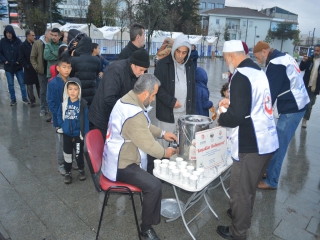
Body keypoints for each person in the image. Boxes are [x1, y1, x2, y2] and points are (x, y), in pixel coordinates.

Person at [101, 73, 177, 240]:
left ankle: (151, 204)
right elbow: (148, 144)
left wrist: (163, 134)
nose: (155, 98)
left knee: (155, 167)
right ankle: (146, 229)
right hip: (120, 164)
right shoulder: (133, 113)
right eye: (154, 94)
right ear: (145, 94)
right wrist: (165, 153)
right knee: (154, 185)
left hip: (119, 154)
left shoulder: (129, 99)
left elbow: (146, 126)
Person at [216, 40, 279, 240]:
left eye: (226, 59)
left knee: (240, 193)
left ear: (231, 56)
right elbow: (253, 103)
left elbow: (237, 116)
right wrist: (232, 102)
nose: (227, 63)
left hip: (251, 144)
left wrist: (221, 117)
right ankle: (242, 222)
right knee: (249, 189)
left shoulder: (241, 75)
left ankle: (238, 233)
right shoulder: (258, 71)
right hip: (267, 140)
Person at [253, 41, 309, 190]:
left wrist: (258, 116)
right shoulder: (285, 57)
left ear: (264, 52)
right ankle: (268, 171)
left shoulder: (276, 63)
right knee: (277, 142)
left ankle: (272, 180)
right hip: (298, 103)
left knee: (279, 145)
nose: (258, 61)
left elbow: (269, 94)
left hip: (292, 108)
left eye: (258, 57)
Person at [88, 48, 150, 138]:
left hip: (115, 118)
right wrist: (129, 108)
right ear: (133, 64)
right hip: (101, 119)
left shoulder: (134, 72)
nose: (142, 73)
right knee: (104, 150)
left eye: (144, 70)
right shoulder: (116, 71)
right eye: (141, 70)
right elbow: (109, 98)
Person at [154, 34, 196, 148]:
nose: (180, 56)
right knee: (163, 145)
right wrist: (171, 102)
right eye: (178, 51)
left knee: (182, 145)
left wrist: (191, 110)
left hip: (184, 114)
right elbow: (157, 88)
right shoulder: (162, 65)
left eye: (184, 53)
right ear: (174, 49)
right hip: (167, 115)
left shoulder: (190, 65)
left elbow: (192, 88)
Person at [57, 77, 89, 184]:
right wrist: (62, 125)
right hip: (67, 135)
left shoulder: (82, 104)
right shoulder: (64, 103)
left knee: (79, 154)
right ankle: (68, 172)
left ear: (79, 90)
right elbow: (59, 115)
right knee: (67, 154)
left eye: (75, 89)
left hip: (78, 136)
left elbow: (86, 119)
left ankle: (81, 170)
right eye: (70, 89)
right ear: (67, 90)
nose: (73, 91)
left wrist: (85, 134)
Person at [47, 56, 72, 175]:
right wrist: (59, 118)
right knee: (61, 142)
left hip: (71, 118)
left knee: (71, 140)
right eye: (64, 67)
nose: (67, 70)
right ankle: (61, 164)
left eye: (69, 67)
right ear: (58, 68)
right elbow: (51, 103)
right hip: (59, 120)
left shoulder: (72, 82)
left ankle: (71, 161)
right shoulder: (53, 83)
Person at [0, 25, 29, 106]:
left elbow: (22, 52)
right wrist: (4, 60)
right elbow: (0, 53)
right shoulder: (2, 42)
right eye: (7, 33)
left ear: (12, 33)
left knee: (22, 83)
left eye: (10, 33)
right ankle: (13, 99)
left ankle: (24, 98)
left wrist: (18, 61)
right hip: (8, 67)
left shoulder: (18, 41)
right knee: (10, 84)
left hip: (18, 66)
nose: (8, 34)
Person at [70, 36, 100, 105]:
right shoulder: (96, 60)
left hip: (78, 91)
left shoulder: (74, 60)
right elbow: (97, 73)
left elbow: (71, 75)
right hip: (92, 92)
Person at [30, 29, 51, 116]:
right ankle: (43, 108)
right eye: (51, 34)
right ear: (46, 35)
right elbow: (32, 57)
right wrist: (37, 68)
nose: (53, 36)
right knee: (43, 90)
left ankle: (50, 108)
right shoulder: (38, 43)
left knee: (50, 90)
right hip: (42, 71)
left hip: (51, 71)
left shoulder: (52, 44)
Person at [299, 45, 320, 128]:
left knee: (309, 105)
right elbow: (301, 68)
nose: (316, 52)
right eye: (315, 50)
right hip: (305, 86)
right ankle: (296, 119)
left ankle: (304, 120)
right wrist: (303, 61)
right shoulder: (310, 60)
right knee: (300, 103)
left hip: (314, 88)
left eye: (318, 51)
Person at [19, 30, 39, 108]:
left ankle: (41, 99)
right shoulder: (22, 46)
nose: (34, 37)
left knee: (39, 85)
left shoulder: (36, 44)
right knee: (29, 86)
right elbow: (21, 58)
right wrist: (26, 66)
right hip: (28, 69)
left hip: (36, 68)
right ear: (28, 36)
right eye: (33, 35)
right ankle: (32, 101)